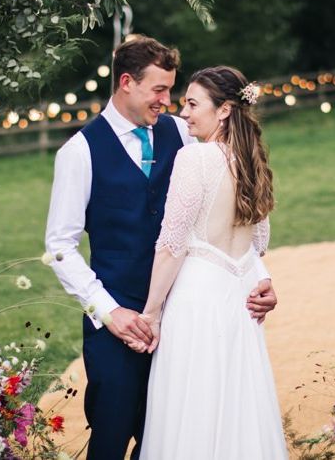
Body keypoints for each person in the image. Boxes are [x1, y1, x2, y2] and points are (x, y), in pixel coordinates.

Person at [45, 38, 278, 460]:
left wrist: (259, 278)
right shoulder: (79, 152)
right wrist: (108, 311)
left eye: (172, 91)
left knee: (176, 434)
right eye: (159, 91)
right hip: (120, 321)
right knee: (111, 435)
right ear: (127, 82)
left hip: (183, 318)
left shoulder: (184, 134)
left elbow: (223, 212)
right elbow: (60, 246)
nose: (167, 102)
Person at [130, 66, 288, 459]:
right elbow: (259, 243)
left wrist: (150, 315)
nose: (184, 113)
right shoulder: (253, 162)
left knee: (191, 406)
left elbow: (171, 245)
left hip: (197, 303)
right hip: (238, 302)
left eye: (192, 104)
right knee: (237, 407)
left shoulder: (195, 158)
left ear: (224, 110)